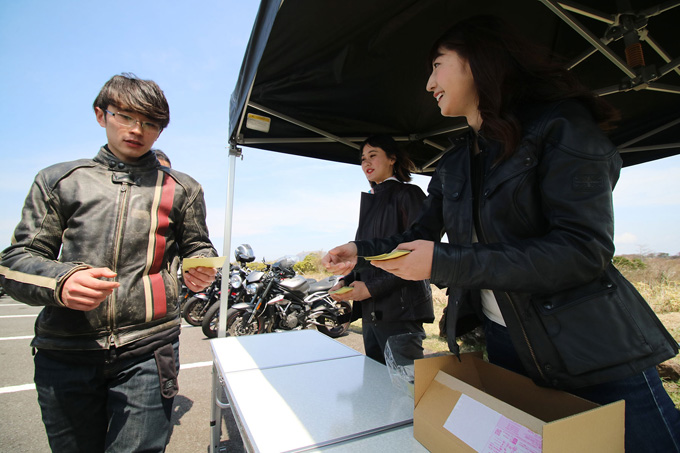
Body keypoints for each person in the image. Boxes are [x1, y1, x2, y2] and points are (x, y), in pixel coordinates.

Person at [323, 15, 680, 452]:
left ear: (476, 61)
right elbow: (416, 234)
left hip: (591, 342)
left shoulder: (560, 126)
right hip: (506, 340)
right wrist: (358, 250)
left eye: (437, 64)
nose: (429, 83)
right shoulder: (455, 162)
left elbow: (582, 250)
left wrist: (446, 261)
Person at [0, 73, 218, 452]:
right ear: (101, 115)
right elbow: (15, 261)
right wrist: (62, 280)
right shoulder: (60, 180)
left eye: (150, 123)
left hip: (150, 347)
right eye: (125, 117)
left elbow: (198, 243)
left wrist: (200, 264)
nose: (137, 130)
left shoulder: (183, 188)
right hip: (65, 349)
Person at [329, 135, 433, 364]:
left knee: (406, 389)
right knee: (378, 389)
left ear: (392, 158)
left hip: (401, 312)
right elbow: (365, 257)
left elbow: (417, 254)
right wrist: (347, 281)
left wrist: (371, 289)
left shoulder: (409, 194)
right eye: (363, 159)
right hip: (370, 315)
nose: (366, 163)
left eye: (373, 156)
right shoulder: (371, 201)